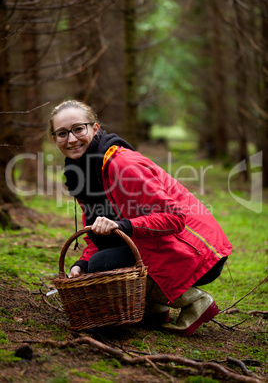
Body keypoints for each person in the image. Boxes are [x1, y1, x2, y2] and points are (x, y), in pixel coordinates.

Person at [49, 100, 232, 336]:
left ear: (94, 128)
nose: (71, 139)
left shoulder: (122, 164)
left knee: (103, 265)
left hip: (199, 253)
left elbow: (175, 219)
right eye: (62, 133)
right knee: (94, 263)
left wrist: (123, 225)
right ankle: (153, 306)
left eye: (78, 129)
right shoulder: (81, 176)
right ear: (54, 139)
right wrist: (81, 264)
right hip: (163, 247)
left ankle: (193, 300)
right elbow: (98, 237)